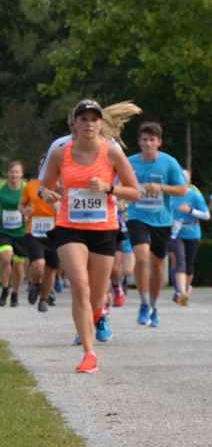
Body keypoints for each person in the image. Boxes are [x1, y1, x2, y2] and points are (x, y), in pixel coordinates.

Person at [42, 99, 142, 372]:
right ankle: (89, 354)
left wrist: (109, 188)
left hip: (103, 231)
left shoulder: (112, 154)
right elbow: (45, 187)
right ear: (74, 123)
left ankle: (95, 315)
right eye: (83, 119)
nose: (88, 124)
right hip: (69, 228)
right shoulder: (60, 153)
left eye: (93, 119)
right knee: (80, 286)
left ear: (101, 123)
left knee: (97, 298)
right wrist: (46, 193)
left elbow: (135, 192)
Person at [127, 120, 190, 327]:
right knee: (141, 258)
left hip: (161, 220)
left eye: (151, 140)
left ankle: (154, 306)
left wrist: (161, 188)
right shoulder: (129, 162)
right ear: (139, 142)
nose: (147, 144)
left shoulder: (169, 163)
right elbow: (118, 185)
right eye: (144, 140)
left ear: (159, 142)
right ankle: (144, 304)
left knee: (157, 266)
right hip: (137, 217)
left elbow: (182, 190)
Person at [21, 173, 58, 311]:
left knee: (50, 269)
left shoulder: (60, 185)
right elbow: (21, 205)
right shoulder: (31, 186)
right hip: (34, 231)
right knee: (38, 264)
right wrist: (25, 210)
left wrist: (59, 208)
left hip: (54, 232)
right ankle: (35, 284)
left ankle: (43, 299)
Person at [170, 181, 209, 304]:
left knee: (189, 265)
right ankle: (181, 293)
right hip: (176, 233)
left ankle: (186, 289)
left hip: (193, 232)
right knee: (179, 259)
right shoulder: (170, 194)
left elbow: (207, 215)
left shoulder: (195, 195)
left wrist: (190, 210)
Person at [0, 161, 27, 305]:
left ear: (22, 174)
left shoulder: (26, 188)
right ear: (7, 173)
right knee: (5, 257)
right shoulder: (1, 187)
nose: (14, 175)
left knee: (18, 266)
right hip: (3, 230)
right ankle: (5, 289)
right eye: (12, 172)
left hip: (21, 231)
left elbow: (33, 203)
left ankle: (15, 293)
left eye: (17, 172)